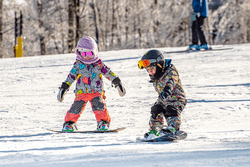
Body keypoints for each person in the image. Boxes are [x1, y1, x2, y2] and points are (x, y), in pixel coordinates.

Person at [57, 36, 125, 132]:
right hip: (81, 92)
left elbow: (108, 72)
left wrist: (117, 82)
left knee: (99, 107)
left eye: (89, 53)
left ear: (94, 51)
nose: (86, 56)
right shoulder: (78, 65)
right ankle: (70, 123)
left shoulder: (99, 64)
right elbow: (71, 76)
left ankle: (103, 122)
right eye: (83, 53)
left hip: (96, 91)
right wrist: (64, 87)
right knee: (75, 108)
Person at [138, 49, 187, 139]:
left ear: (159, 65)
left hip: (177, 98)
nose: (150, 72)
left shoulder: (171, 71)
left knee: (171, 109)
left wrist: (168, 90)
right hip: (164, 98)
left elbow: (172, 81)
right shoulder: (156, 76)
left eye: (152, 68)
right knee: (156, 109)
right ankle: (155, 129)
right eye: (148, 70)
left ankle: (173, 128)